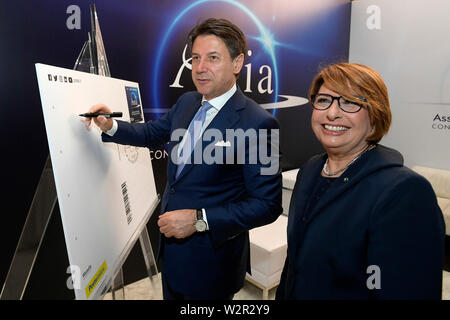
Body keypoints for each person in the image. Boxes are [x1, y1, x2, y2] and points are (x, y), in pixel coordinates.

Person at [85, 18, 282, 300]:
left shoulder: (260, 124)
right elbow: (153, 132)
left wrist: (199, 219)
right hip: (173, 253)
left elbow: (267, 205)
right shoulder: (187, 102)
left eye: (213, 58)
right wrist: (110, 126)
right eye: (195, 58)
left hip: (212, 265)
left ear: (237, 63)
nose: (200, 68)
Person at [276, 63, 445, 300]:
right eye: (324, 100)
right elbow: (295, 263)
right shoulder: (311, 169)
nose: (332, 113)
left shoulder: (405, 193)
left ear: (376, 115)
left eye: (349, 101)